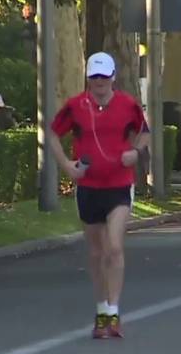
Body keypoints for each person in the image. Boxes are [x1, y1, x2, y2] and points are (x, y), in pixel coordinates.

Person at [48, 52, 149, 339]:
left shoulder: (128, 105)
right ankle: (102, 310)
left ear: (113, 77)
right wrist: (67, 165)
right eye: (95, 77)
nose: (100, 82)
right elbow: (54, 133)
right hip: (89, 187)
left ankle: (114, 313)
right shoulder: (76, 106)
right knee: (95, 252)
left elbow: (145, 133)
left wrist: (135, 152)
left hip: (119, 183)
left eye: (104, 77)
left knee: (114, 247)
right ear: (88, 79)